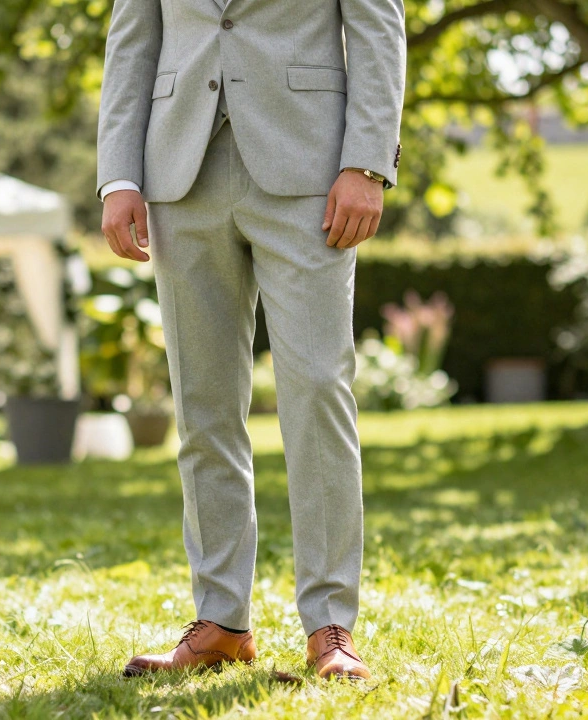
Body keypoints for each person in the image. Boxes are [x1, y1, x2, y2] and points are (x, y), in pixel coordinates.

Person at [97, 0, 405, 681]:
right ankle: (221, 620)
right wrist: (118, 174)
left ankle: (330, 625)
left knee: (317, 389)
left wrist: (368, 161)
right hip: (180, 174)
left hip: (313, 172)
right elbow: (132, 42)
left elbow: (378, 28)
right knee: (202, 406)